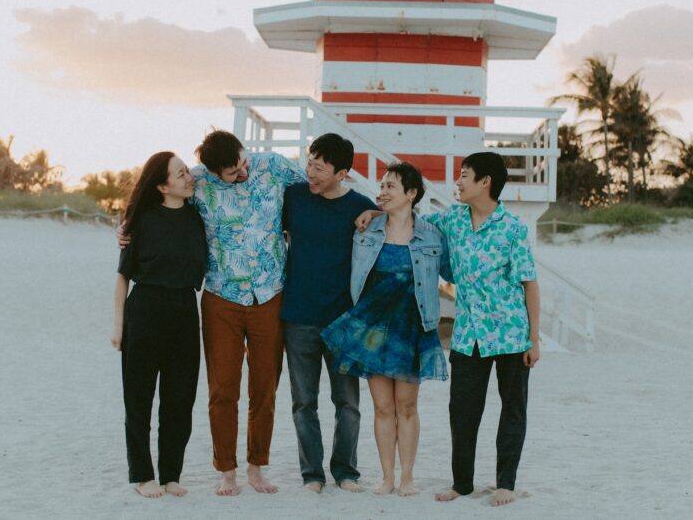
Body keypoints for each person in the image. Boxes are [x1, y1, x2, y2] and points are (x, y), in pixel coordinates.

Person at [118, 130, 304, 496]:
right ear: (215, 172)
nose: (242, 173)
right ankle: (227, 471)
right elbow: (157, 201)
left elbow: (319, 190)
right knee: (222, 389)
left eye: (243, 163)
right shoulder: (198, 180)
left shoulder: (275, 166)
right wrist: (126, 227)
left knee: (265, 387)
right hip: (221, 297)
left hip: (269, 293)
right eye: (233, 173)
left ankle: (256, 468)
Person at [322, 162, 451, 497]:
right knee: (382, 407)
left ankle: (407, 477)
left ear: (411, 193)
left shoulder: (432, 235)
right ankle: (387, 477)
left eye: (390, 186)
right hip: (374, 330)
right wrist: (373, 212)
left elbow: (454, 274)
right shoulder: (366, 230)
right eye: (381, 185)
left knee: (406, 407)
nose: (382, 191)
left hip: (412, 328)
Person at [427, 152, 540, 508]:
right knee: (462, 410)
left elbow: (529, 284)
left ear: (485, 181)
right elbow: (412, 222)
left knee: (513, 409)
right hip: (468, 334)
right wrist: (374, 214)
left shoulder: (513, 228)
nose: (458, 182)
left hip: (511, 333)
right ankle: (462, 483)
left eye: (464, 175)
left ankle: (505, 483)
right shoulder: (453, 219)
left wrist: (533, 339)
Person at [281, 133, 377, 493]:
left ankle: (346, 471)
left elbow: (399, 218)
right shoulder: (294, 197)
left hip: (343, 321)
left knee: (348, 403)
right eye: (309, 163)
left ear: (342, 173)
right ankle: (312, 474)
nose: (311, 173)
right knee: (304, 402)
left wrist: (375, 213)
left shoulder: (359, 206)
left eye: (319, 168)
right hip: (299, 317)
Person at [111, 151, 206, 499]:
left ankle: (171, 475)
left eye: (187, 171)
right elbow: (123, 276)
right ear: (163, 186)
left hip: (185, 309)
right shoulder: (141, 221)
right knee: (139, 399)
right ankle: (142, 475)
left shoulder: (198, 217)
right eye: (180, 174)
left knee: (180, 399)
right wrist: (118, 325)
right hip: (145, 310)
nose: (189, 177)